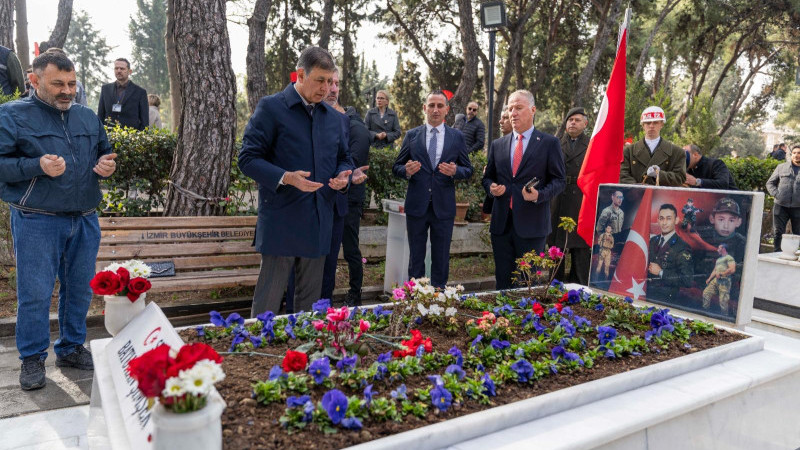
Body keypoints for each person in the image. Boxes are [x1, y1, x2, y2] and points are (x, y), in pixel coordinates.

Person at [0, 52, 117, 390]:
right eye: (58, 84)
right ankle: (33, 359)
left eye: (72, 83)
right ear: (34, 81)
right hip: (37, 219)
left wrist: (107, 165)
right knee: (35, 294)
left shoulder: (86, 116)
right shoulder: (11, 115)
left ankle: (70, 348)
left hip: (84, 218)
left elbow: (103, 152)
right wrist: (37, 165)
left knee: (79, 289)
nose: (67, 91)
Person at [238, 46, 353, 317]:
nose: (327, 88)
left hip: (318, 221)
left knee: (309, 308)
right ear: (300, 75)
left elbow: (344, 158)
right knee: (268, 303)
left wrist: (343, 177)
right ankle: (258, 352)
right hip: (282, 222)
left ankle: (302, 355)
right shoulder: (271, 108)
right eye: (320, 80)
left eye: (331, 81)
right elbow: (247, 159)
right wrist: (286, 177)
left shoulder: (336, 120)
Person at [482, 90, 566, 290]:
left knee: (528, 281)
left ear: (533, 110)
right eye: (510, 108)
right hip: (502, 224)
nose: (513, 113)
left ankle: (527, 317)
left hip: (532, 224)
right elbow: (488, 178)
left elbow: (559, 180)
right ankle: (502, 318)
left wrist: (540, 194)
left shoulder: (549, 143)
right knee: (503, 279)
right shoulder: (498, 145)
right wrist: (492, 188)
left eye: (518, 108)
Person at [392, 90, 473, 288]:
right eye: (431, 105)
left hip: (443, 208)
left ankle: (439, 298)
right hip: (417, 206)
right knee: (416, 257)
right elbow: (397, 167)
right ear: (425, 108)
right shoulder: (412, 135)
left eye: (439, 106)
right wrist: (407, 170)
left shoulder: (457, 137)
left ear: (447, 109)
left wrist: (455, 171)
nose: (435, 110)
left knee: (441, 257)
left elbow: (468, 169)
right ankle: (416, 299)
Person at [319, 69, 369, 305]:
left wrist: (347, 178)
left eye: (336, 83)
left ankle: (355, 292)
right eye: (328, 82)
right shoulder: (321, 117)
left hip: (347, 200)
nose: (332, 88)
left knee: (350, 249)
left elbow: (351, 163)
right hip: (326, 196)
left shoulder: (354, 126)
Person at [549, 107, 591, 285]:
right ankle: (554, 286)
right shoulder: (556, 143)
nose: (573, 122)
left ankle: (580, 286)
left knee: (580, 249)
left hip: (581, 199)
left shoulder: (591, 145)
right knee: (556, 247)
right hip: (559, 198)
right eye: (570, 120)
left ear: (585, 124)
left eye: (577, 120)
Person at [619, 106, 685, 186]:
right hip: (636, 196)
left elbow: (680, 178)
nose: (651, 126)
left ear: (662, 124)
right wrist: (638, 188)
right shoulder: (628, 151)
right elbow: (622, 175)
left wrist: (658, 175)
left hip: (662, 197)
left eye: (655, 122)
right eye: (648, 123)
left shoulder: (677, 152)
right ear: (643, 125)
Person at [647, 204, 693, 303]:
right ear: (658, 220)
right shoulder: (652, 241)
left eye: (668, 218)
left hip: (666, 299)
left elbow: (687, 280)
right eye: (661, 218)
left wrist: (661, 272)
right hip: (645, 293)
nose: (664, 223)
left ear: (676, 220)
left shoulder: (682, 246)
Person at [97, 58, 149, 130]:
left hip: (131, 138)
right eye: (116, 68)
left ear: (129, 71)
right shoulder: (105, 89)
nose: (119, 71)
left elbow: (145, 122)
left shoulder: (140, 92)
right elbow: (100, 115)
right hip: (109, 137)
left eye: (122, 68)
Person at [766, 145, 800, 252]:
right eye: (794, 153)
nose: (796, 155)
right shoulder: (781, 167)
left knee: (798, 234)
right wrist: (777, 194)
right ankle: (776, 254)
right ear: (791, 155)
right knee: (778, 233)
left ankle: (796, 256)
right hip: (781, 206)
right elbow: (770, 183)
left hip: (798, 207)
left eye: (799, 153)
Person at [703, 244, 736, 315]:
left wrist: (722, 273)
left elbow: (732, 269)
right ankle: (705, 310)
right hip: (716, 280)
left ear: (723, 249)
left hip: (725, 281)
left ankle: (724, 315)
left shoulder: (729, 258)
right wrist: (709, 279)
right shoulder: (719, 259)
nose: (718, 249)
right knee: (706, 293)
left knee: (723, 300)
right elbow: (715, 270)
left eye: (719, 248)